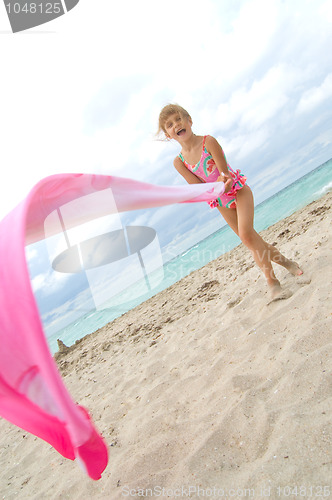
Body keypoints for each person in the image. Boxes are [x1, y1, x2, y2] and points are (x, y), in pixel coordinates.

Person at [158, 104, 303, 302]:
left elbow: (224, 173)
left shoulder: (208, 142)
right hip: (220, 202)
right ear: (168, 135)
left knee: (246, 234)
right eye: (169, 125)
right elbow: (199, 189)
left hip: (237, 190)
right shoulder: (179, 162)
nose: (176, 125)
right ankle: (287, 263)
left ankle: (272, 282)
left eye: (178, 120)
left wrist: (222, 182)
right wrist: (205, 193)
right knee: (252, 240)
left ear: (189, 121)